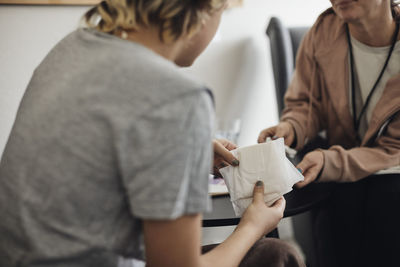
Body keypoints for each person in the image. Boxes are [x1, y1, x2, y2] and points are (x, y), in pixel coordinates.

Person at [0, 1, 305, 267]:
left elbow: (95, 157)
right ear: (202, 10)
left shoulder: (74, 46)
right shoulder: (178, 97)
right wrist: (251, 226)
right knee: (278, 256)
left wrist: (185, 152)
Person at [258, 0, 400, 266]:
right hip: (341, 157)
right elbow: (306, 105)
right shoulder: (324, 32)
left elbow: (395, 149)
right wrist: (292, 127)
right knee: (341, 201)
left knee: (388, 198)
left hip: (393, 166)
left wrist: (331, 161)